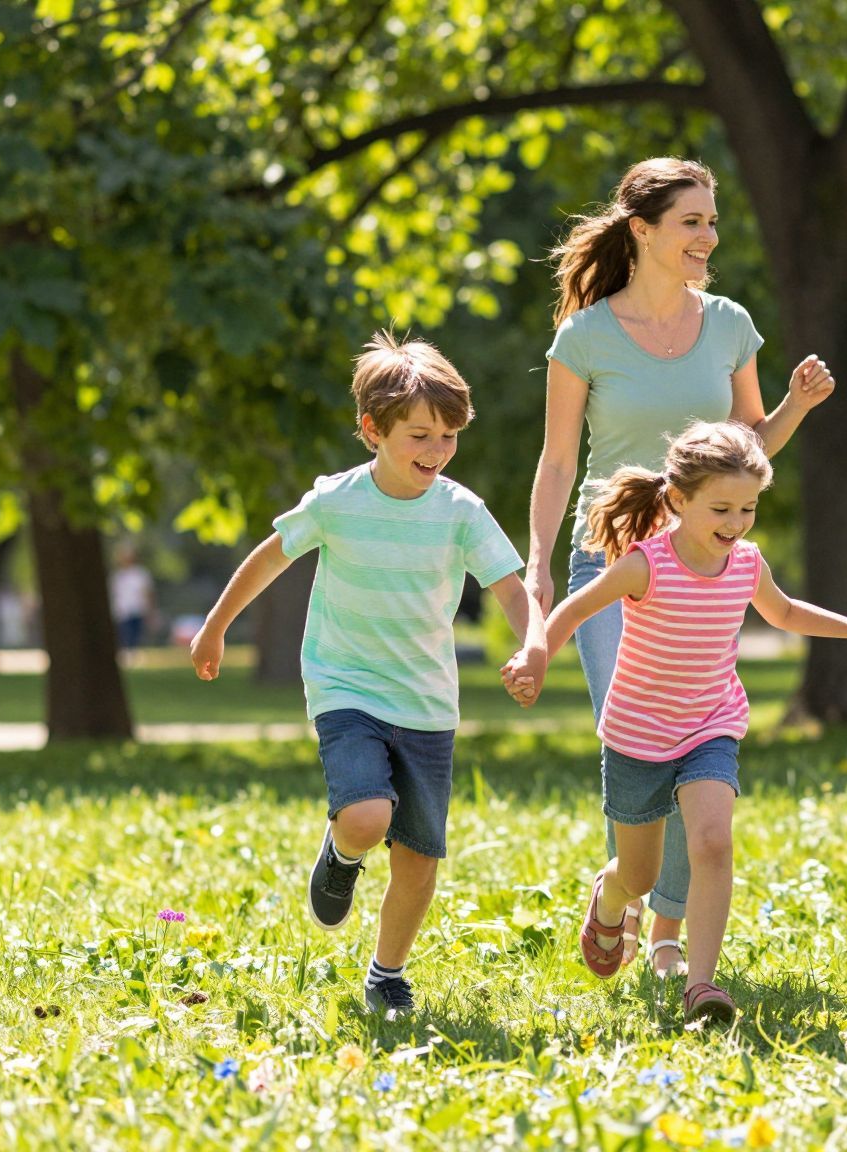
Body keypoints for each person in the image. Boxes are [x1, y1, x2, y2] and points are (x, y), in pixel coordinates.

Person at [528, 157, 835, 977]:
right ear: (642, 230)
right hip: (612, 558)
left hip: (702, 565)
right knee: (638, 736)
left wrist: (796, 407)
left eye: (712, 221)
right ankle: (622, 889)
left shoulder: (729, 324)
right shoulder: (585, 336)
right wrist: (538, 566)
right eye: (691, 222)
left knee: (691, 731)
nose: (708, 237)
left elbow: (747, 447)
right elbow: (558, 462)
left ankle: (666, 932)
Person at [190, 333, 543, 1020]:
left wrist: (532, 646)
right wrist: (216, 625)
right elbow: (270, 557)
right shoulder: (337, 501)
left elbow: (510, 587)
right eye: (421, 435)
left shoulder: (460, 511)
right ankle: (343, 853)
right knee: (365, 816)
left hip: (427, 702)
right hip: (345, 685)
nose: (437, 450)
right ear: (373, 430)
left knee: (418, 860)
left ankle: (388, 973)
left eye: (449, 436)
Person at [508, 422, 847, 1023]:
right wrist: (535, 659)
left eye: (748, 508)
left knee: (712, 843)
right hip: (638, 736)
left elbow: (785, 612)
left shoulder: (746, 564)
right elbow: (575, 610)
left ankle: (702, 985)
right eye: (722, 508)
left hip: (711, 725)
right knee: (640, 874)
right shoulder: (646, 565)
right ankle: (610, 896)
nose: (736, 523)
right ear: (678, 500)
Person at [110, 545, 155, 653]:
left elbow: (148, 593)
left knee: (135, 637)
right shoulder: (117, 576)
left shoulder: (140, 574)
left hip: (137, 610)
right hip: (122, 612)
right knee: (126, 637)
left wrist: (150, 610)